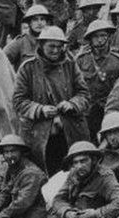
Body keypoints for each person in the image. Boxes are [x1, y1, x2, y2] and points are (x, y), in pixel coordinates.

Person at [13, 26, 91, 174]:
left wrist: (72, 104)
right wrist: (39, 109)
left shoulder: (71, 65)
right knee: (42, 173)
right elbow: (18, 101)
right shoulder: (27, 68)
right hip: (39, 134)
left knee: (75, 170)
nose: (56, 51)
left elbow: (84, 94)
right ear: (41, 45)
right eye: (51, 46)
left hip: (69, 130)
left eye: (59, 47)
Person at [0, 134, 47, 218]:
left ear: (21, 152)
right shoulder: (12, 168)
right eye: (6, 152)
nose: (9, 156)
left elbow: (23, 203)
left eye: (13, 151)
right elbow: (5, 191)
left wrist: (0, 215)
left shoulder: (31, 173)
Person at [74, 19, 119, 138]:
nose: (100, 40)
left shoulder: (118, 61)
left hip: (110, 111)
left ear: (109, 37)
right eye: (96, 37)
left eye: (103, 36)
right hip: (87, 112)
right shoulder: (81, 60)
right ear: (90, 39)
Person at [4, 4, 53, 70]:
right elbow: (1, 61)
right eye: (35, 19)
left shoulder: (53, 42)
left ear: (46, 22)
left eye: (42, 19)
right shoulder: (21, 42)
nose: (39, 23)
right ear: (29, 23)